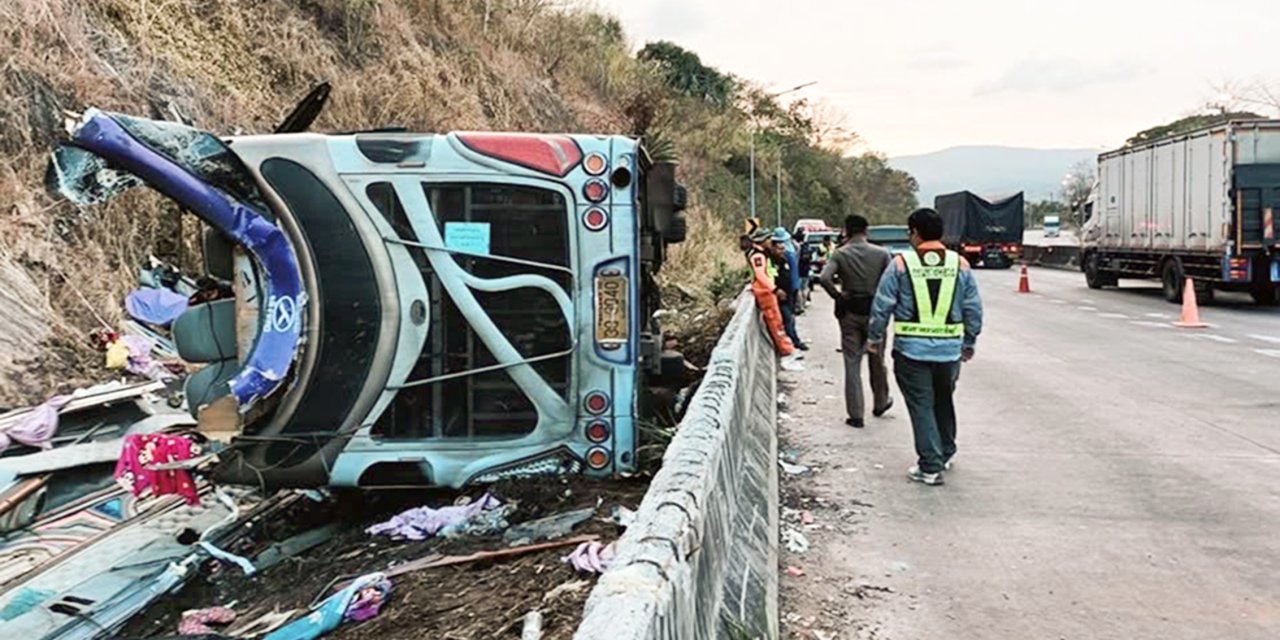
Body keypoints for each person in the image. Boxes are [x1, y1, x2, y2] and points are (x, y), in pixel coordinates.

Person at [867, 208, 983, 486]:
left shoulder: (900, 264)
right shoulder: (960, 264)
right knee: (944, 399)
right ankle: (944, 452)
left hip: (911, 351)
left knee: (921, 405)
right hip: (949, 352)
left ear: (915, 232)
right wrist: (969, 341)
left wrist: (874, 337)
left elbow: (883, 305)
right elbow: (973, 309)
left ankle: (930, 466)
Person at [818, 214, 893, 429]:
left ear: (846, 231)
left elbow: (824, 278)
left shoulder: (840, 254)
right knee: (877, 359)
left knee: (852, 364)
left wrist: (838, 296)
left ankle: (856, 415)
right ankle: (880, 402)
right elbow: (891, 284)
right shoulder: (881, 254)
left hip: (850, 313)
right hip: (875, 313)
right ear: (866, 231)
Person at [742, 230, 795, 358]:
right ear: (762, 241)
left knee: (777, 321)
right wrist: (775, 289)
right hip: (764, 292)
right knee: (775, 322)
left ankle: (786, 349)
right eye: (768, 239)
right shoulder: (758, 256)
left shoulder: (761, 254)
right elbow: (760, 275)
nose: (770, 242)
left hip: (766, 290)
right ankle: (785, 350)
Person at [770, 227, 808, 351]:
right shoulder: (773, 259)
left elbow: (793, 273)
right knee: (787, 317)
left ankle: (792, 339)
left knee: (790, 317)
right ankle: (793, 340)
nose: (784, 248)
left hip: (791, 290)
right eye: (780, 246)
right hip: (781, 293)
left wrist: (795, 288)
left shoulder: (788, 255)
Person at [793, 229, 812, 314]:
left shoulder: (796, 247)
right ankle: (804, 303)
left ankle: (800, 306)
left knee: (799, 289)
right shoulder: (807, 246)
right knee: (805, 288)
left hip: (799, 270)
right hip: (806, 270)